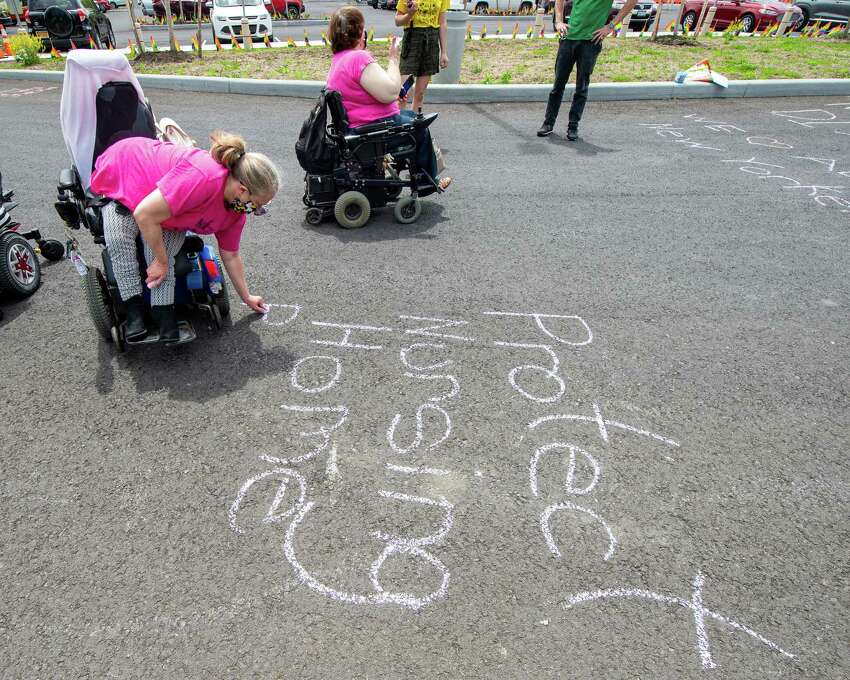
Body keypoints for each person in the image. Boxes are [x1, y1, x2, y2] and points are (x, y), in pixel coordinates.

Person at [89, 132, 280, 343]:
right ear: (242, 191)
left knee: (163, 251)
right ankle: (134, 311)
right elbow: (144, 214)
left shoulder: (235, 214)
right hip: (128, 170)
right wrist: (161, 262)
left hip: (167, 207)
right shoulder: (204, 177)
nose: (257, 211)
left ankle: (163, 314)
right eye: (258, 205)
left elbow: (231, 255)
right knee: (120, 241)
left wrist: (247, 296)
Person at [326, 5, 450, 193]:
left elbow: (370, 90)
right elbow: (390, 93)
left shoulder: (340, 59)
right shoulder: (357, 58)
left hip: (361, 125)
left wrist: (395, 91)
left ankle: (405, 168)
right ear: (358, 33)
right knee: (420, 128)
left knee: (409, 115)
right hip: (372, 129)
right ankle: (426, 182)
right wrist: (393, 57)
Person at [537, 0, 637, 140]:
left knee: (582, 87)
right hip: (568, 38)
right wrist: (558, 21)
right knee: (558, 85)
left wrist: (611, 26)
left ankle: (573, 126)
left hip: (590, 42)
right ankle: (548, 124)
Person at [395, 0, 449, 112]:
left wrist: (444, 52)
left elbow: (442, 23)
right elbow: (397, 21)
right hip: (412, 42)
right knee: (403, 93)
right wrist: (410, 14)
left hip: (431, 43)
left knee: (420, 94)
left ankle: (415, 126)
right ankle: (400, 126)